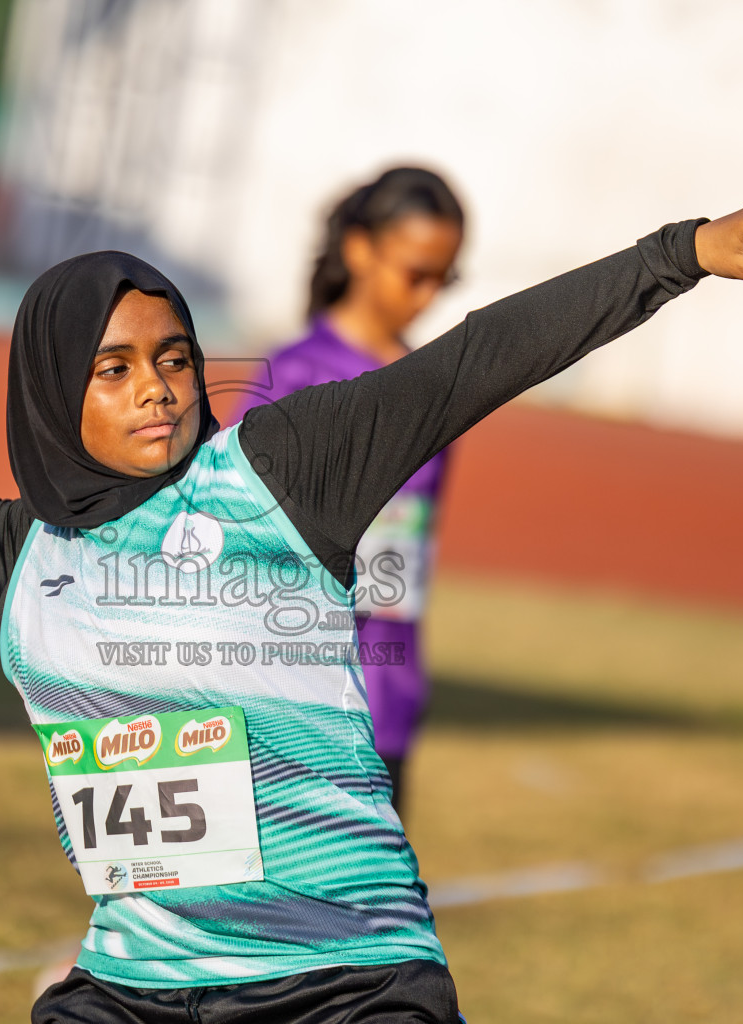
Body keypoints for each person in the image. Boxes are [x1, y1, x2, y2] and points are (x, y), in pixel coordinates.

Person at [0, 192, 743, 1021]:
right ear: (52, 392)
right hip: (140, 987)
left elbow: (472, 363)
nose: (158, 387)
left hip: (348, 979)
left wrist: (677, 254)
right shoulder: (14, 557)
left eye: (173, 358)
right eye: (113, 369)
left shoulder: (278, 472)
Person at [239, 167, 464, 816]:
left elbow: (409, 558)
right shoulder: (291, 376)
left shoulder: (435, 389)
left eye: (442, 278)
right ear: (361, 249)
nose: (427, 297)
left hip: (387, 708)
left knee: (372, 914)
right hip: (292, 710)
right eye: (414, 273)